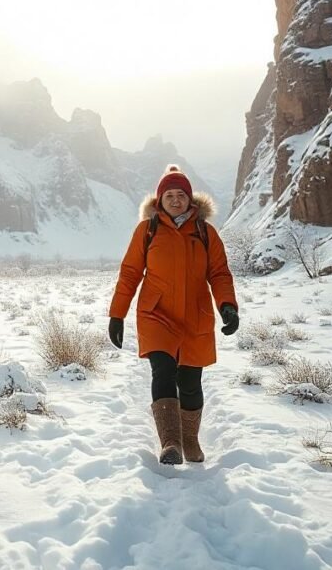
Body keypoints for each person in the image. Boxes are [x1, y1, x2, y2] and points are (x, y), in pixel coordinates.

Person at [108, 164, 239, 465]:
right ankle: (171, 443)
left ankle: (190, 440)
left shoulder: (206, 232)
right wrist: (117, 315)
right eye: (169, 194)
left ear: (190, 199)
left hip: (196, 314)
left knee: (191, 382)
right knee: (163, 370)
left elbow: (219, 273)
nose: (176, 200)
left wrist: (227, 306)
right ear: (159, 199)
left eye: (181, 194)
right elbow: (130, 274)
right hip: (157, 314)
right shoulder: (148, 230)